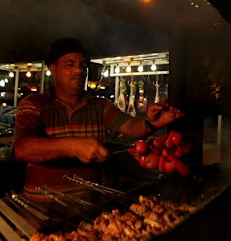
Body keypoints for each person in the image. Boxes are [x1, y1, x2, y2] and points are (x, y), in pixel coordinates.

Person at [12, 37, 184, 194]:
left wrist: (150, 123)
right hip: (42, 212)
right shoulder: (34, 104)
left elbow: (130, 126)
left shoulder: (100, 105)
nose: (79, 70)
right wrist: (74, 147)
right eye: (70, 64)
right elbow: (21, 149)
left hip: (92, 213)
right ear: (53, 69)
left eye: (83, 65)